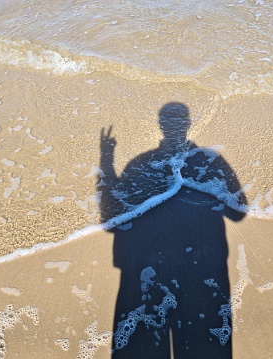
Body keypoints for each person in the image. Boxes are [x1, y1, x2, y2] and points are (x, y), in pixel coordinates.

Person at [99, 102, 246, 358]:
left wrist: (106, 161)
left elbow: (113, 213)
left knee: (147, 344)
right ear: (188, 124)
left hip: (149, 270)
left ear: (161, 126)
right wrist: (207, 188)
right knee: (203, 344)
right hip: (204, 267)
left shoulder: (141, 164)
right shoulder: (209, 161)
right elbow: (238, 211)